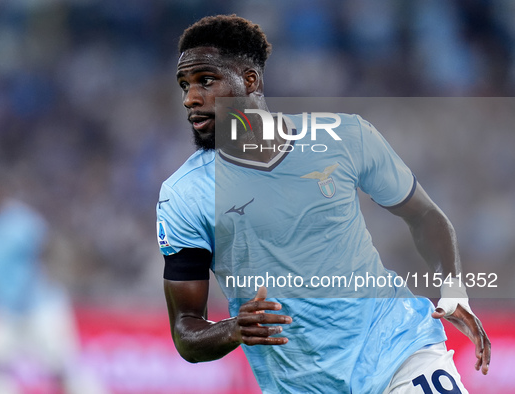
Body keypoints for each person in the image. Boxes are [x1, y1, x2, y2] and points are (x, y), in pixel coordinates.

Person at [156, 14, 490, 393]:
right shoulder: (184, 194)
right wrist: (233, 329)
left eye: (206, 81)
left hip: (398, 350)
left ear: (250, 80)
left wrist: (453, 288)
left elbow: (424, 215)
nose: (190, 98)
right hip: (300, 384)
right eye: (184, 85)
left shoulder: (346, 136)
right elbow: (186, 332)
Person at [0, 169, 103, 394]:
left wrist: (51, 277)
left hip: (40, 306)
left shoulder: (20, 220)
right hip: (4, 309)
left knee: (63, 370)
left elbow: (48, 249)